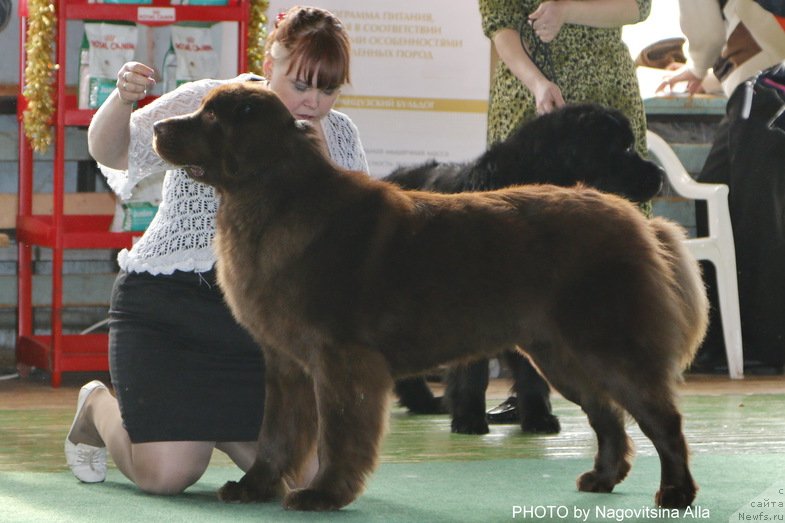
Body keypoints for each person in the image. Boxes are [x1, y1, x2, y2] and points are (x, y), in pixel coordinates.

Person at [65, 5, 368, 494]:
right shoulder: (213, 102)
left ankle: (219, 424)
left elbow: (352, 251)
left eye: (328, 89)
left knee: (305, 481)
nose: (312, 101)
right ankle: (96, 406)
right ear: (270, 68)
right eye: (301, 84)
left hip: (258, 332)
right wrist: (122, 100)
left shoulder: (339, 136)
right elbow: (113, 151)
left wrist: (324, 165)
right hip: (172, 307)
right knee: (166, 476)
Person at [478, 0, 652, 423]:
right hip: (528, 104)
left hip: (604, 96)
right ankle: (530, 392)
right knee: (520, 253)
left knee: (614, 245)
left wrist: (565, 9)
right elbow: (500, 25)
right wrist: (537, 83)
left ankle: (632, 381)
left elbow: (638, 7)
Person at [658, 0, 785, 373]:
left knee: (746, 215)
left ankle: (763, 343)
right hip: (765, 82)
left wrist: (696, 65)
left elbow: (709, 34)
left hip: (763, 89)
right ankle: (723, 340)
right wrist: (704, 73)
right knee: (727, 202)